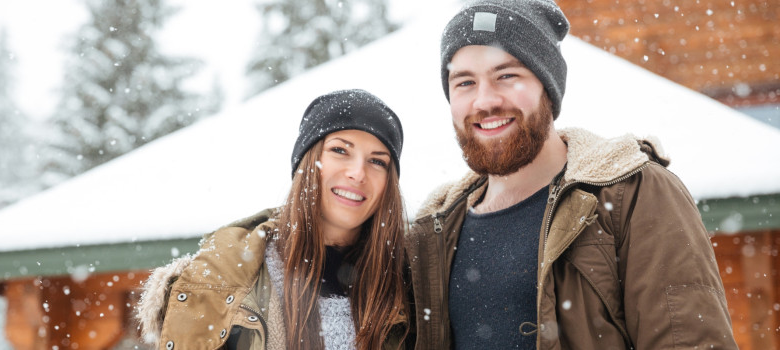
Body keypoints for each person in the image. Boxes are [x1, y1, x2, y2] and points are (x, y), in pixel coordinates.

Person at [406, 0, 737, 349]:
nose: (484, 101)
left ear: (547, 86)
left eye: (506, 76)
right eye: (464, 82)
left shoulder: (632, 193)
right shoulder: (435, 229)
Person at [136, 89, 412, 350]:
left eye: (378, 161)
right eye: (340, 150)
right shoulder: (222, 279)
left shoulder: (413, 283)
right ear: (307, 163)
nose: (358, 172)